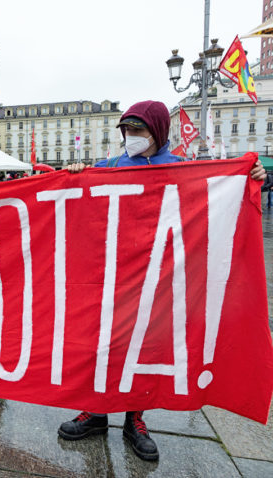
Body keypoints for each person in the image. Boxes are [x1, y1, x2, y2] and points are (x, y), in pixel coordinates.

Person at [59, 100, 267, 462]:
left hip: (160, 276)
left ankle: (135, 419)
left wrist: (251, 175)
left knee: (146, 349)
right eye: (127, 130)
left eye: (138, 130)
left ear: (157, 132)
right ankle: (95, 412)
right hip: (113, 273)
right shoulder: (109, 167)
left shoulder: (182, 169)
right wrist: (77, 173)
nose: (131, 137)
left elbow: (218, 193)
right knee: (103, 345)